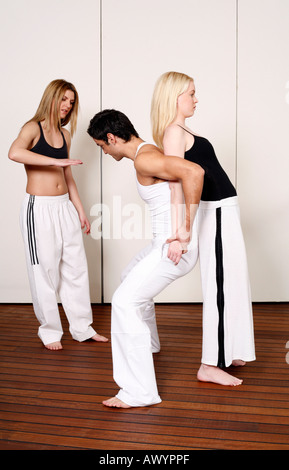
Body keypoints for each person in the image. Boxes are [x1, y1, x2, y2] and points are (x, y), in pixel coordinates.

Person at [87, 109, 204, 407]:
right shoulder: (147, 153)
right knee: (129, 276)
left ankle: (139, 392)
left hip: (172, 249)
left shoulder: (144, 157)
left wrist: (185, 232)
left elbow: (194, 172)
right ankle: (149, 344)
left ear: (111, 138)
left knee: (124, 302)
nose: (104, 151)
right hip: (162, 246)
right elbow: (180, 179)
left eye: (102, 146)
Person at [151, 71, 255, 386]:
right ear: (175, 97)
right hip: (214, 213)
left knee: (232, 282)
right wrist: (181, 231)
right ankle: (209, 365)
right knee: (220, 286)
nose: (196, 99)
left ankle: (226, 351)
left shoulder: (183, 129)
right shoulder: (173, 133)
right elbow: (175, 186)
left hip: (224, 211)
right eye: (191, 93)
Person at [8, 79, 108, 350]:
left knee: (76, 267)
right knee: (45, 269)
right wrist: (55, 160)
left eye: (71, 102)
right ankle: (50, 330)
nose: (67, 106)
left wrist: (80, 210)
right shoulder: (32, 128)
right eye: (63, 99)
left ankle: (82, 327)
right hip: (38, 208)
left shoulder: (65, 135)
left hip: (64, 206)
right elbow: (14, 153)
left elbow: (68, 176)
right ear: (51, 98)